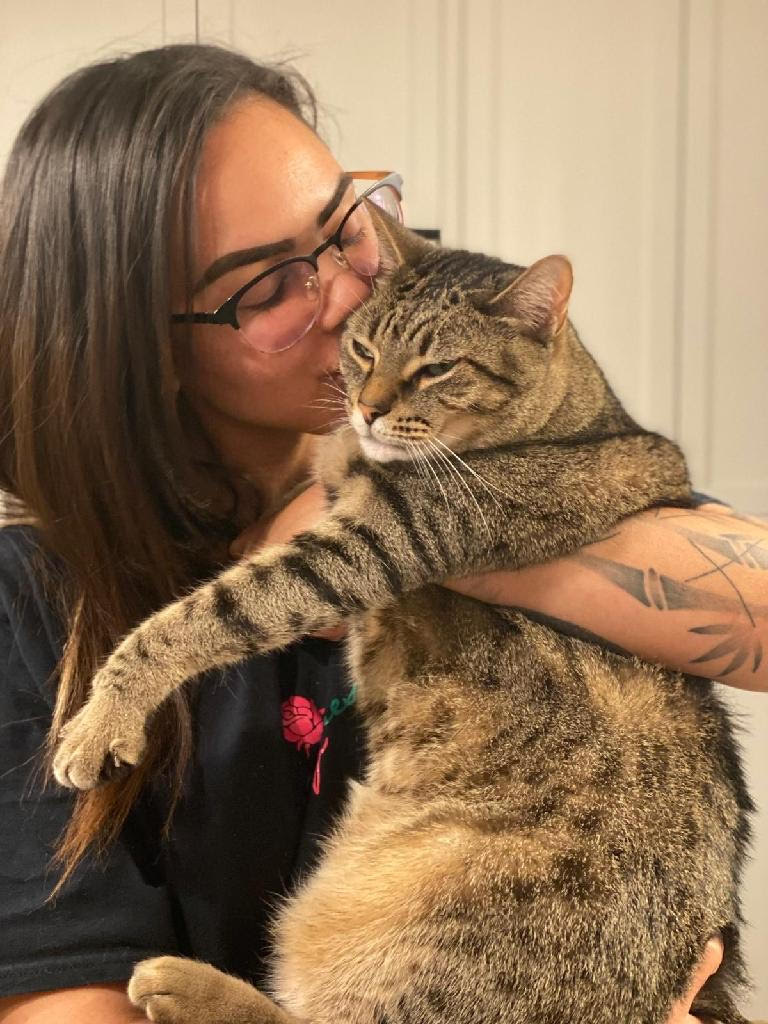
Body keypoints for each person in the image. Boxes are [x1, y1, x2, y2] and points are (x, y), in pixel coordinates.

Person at [0, 43, 764, 1024]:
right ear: (144, 349)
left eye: (347, 227)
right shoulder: (34, 607)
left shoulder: (479, 440)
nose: (353, 295)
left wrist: (419, 540)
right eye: (271, 284)